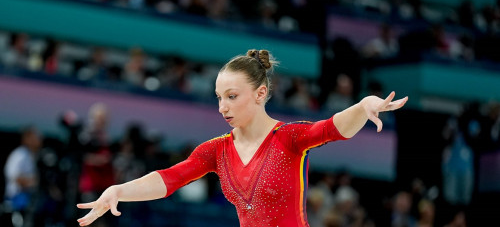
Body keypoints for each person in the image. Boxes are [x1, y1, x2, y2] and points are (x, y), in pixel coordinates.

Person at [77, 49, 408, 227]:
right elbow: (169, 179)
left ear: (261, 93)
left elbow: (332, 128)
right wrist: (118, 190)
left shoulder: (288, 138)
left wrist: (364, 106)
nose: (223, 106)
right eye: (219, 97)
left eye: (232, 96)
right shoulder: (216, 150)